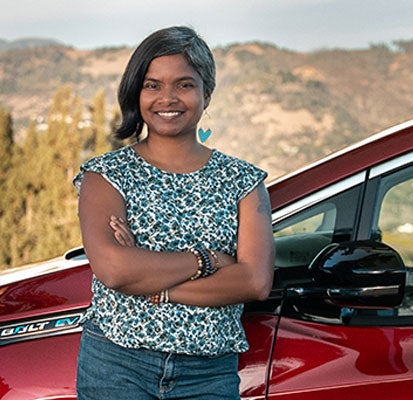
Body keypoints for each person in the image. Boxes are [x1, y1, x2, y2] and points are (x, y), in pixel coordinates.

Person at [73, 26, 275, 400]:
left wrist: (155, 284)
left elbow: (254, 282)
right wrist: (210, 259)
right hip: (117, 365)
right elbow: (116, 270)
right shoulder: (105, 175)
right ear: (137, 92)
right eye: (153, 85)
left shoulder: (244, 181)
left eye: (184, 84)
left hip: (208, 373)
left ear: (206, 94)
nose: (167, 98)